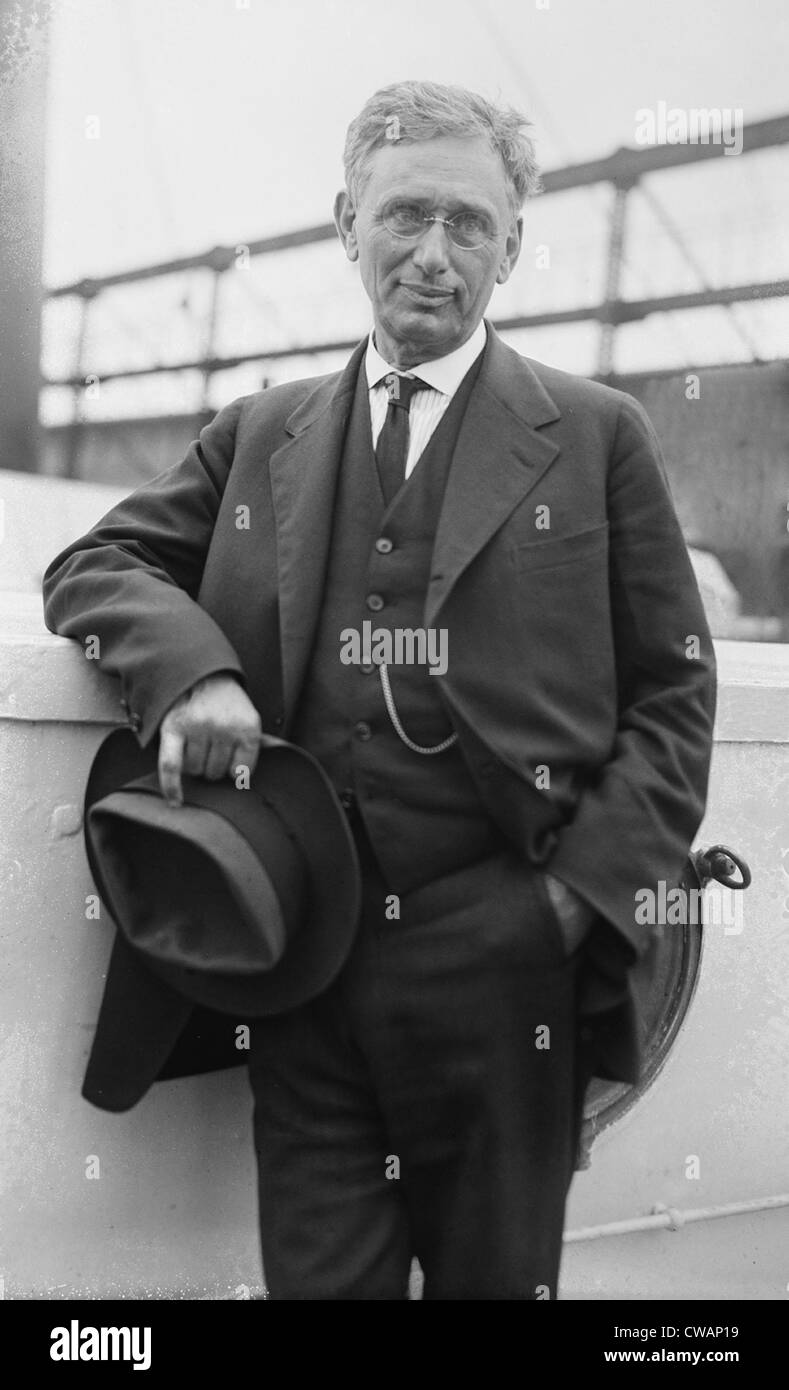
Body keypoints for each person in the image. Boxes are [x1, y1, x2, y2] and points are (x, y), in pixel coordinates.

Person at [42, 79, 716, 1300]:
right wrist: (192, 672)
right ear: (345, 220)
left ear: (512, 247)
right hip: (301, 956)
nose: (434, 253)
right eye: (406, 215)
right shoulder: (262, 430)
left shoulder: (597, 432)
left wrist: (568, 907)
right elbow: (96, 564)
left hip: (511, 961)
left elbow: (675, 700)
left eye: (470, 225)